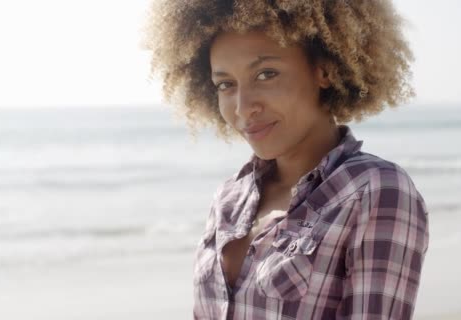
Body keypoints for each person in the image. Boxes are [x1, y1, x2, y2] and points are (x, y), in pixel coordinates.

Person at [142, 0, 429, 318]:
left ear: (325, 70)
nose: (242, 107)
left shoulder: (374, 191)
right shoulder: (228, 200)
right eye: (225, 84)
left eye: (266, 74)